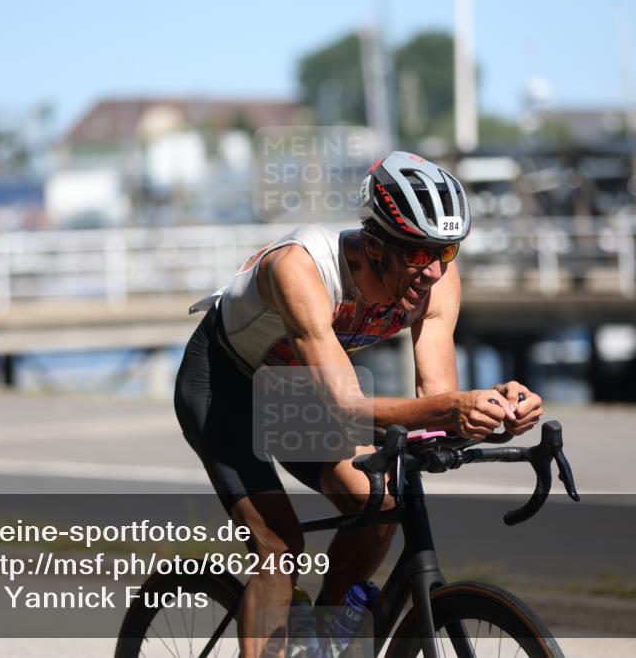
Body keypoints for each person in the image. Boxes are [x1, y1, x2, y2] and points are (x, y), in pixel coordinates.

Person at [174, 151, 544, 657]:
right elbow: (349, 407)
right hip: (224, 384)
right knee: (279, 547)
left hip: (294, 388)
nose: (433, 270)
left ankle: (319, 636)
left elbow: (436, 405)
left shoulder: (434, 279)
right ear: (374, 246)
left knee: (380, 502)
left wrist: (495, 416)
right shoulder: (300, 268)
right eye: (418, 253)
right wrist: (453, 408)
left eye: (447, 251)